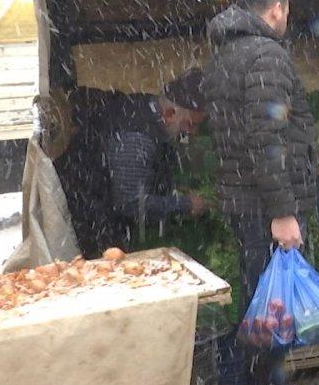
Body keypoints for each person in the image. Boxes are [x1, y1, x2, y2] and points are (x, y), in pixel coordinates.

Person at [202, 0, 319, 385]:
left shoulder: (225, 55)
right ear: (277, 9)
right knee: (273, 306)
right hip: (264, 205)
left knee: (262, 298)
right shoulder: (265, 55)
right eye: (286, 12)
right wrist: (283, 211)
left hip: (244, 199)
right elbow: (266, 139)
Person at [58, 69, 210, 258]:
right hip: (91, 220)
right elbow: (129, 203)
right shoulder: (137, 138)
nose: (193, 132)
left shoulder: (145, 107)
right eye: (190, 124)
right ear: (170, 113)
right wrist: (184, 204)